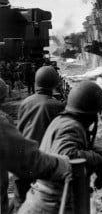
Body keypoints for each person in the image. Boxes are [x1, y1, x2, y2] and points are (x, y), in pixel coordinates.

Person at [19, 81, 102, 214]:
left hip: (42, 202)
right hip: (51, 206)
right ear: (92, 113)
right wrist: (96, 160)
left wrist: (98, 152)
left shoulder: (62, 121)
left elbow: (73, 146)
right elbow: (65, 154)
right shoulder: (72, 126)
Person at [0, 79, 71, 214]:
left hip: (17, 172)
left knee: (18, 200)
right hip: (34, 159)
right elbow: (29, 160)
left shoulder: (26, 102)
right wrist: (63, 164)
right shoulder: (55, 105)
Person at [13, 66, 65, 209]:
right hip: (39, 164)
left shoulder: (26, 102)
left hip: (21, 161)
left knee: (20, 203)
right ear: (54, 84)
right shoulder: (56, 106)